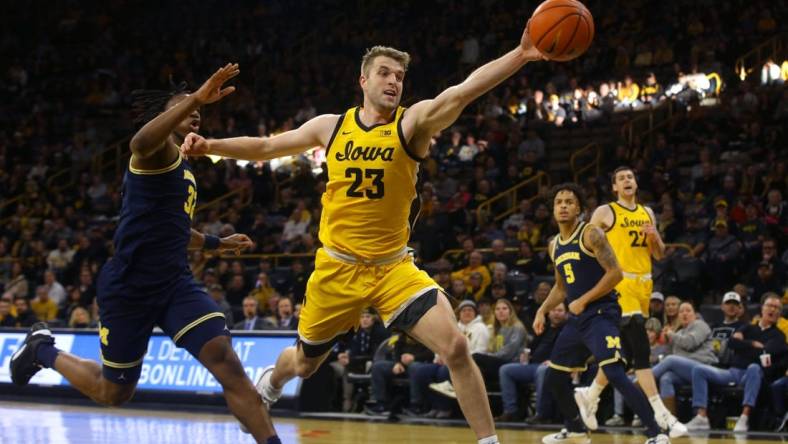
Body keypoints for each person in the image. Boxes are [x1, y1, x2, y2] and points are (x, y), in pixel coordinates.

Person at [181, 28, 547, 443]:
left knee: (457, 349)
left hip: (393, 270)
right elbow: (266, 147)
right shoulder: (331, 127)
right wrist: (210, 144)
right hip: (337, 269)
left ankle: (489, 441)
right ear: (364, 80)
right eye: (385, 73)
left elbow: (461, 93)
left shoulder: (413, 123)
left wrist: (520, 54)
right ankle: (274, 379)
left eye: (399, 77)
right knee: (303, 365)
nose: (393, 82)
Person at [8, 64, 281, 444]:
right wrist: (197, 97)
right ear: (165, 118)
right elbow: (137, 143)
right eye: (184, 106)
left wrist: (219, 243)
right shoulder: (156, 153)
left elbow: (177, 233)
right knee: (114, 392)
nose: (195, 111)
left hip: (174, 284)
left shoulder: (184, 166)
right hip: (129, 286)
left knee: (228, 362)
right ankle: (41, 350)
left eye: (197, 107)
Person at [535, 183, 669, 444]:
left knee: (615, 372)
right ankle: (575, 428)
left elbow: (616, 273)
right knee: (554, 376)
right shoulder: (554, 245)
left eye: (569, 202)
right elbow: (562, 286)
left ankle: (656, 433)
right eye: (558, 202)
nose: (563, 206)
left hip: (602, 313)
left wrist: (583, 300)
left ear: (579, 209)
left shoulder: (591, 233)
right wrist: (543, 309)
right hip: (578, 318)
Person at [573, 167, 686, 438]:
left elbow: (658, 254)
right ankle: (662, 415)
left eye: (630, 177)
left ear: (636, 184)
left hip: (644, 284)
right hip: (621, 282)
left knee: (621, 353)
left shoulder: (647, 213)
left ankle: (591, 394)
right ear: (614, 187)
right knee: (640, 349)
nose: (627, 181)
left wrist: (654, 237)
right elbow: (585, 242)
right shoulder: (606, 211)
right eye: (621, 178)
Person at [686, 293, 788, 432]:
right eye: (770, 306)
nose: (773, 310)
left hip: (754, 375)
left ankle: (744, 418)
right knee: (699, 370)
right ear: (762, 308)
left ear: (780, 314)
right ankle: (701, 417)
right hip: (732, 372)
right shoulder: (748, 327)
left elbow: (764, 354)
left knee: (754, 367)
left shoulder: (779, 336)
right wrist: (752, 344)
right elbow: (732, 343)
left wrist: (744, 345)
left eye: (777, 308)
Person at [651, 302, 717, 415]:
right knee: (666, 378)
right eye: (681, 312)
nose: (684, 314)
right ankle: (670, 419)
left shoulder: (700, 325)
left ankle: (642, 381)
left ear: (695, 315)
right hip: (685, 372)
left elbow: (689, 343)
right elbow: (669, 354)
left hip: (704, 368)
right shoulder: (679, 333)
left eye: (688, 311)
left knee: (671, 360)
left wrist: (671, 335)